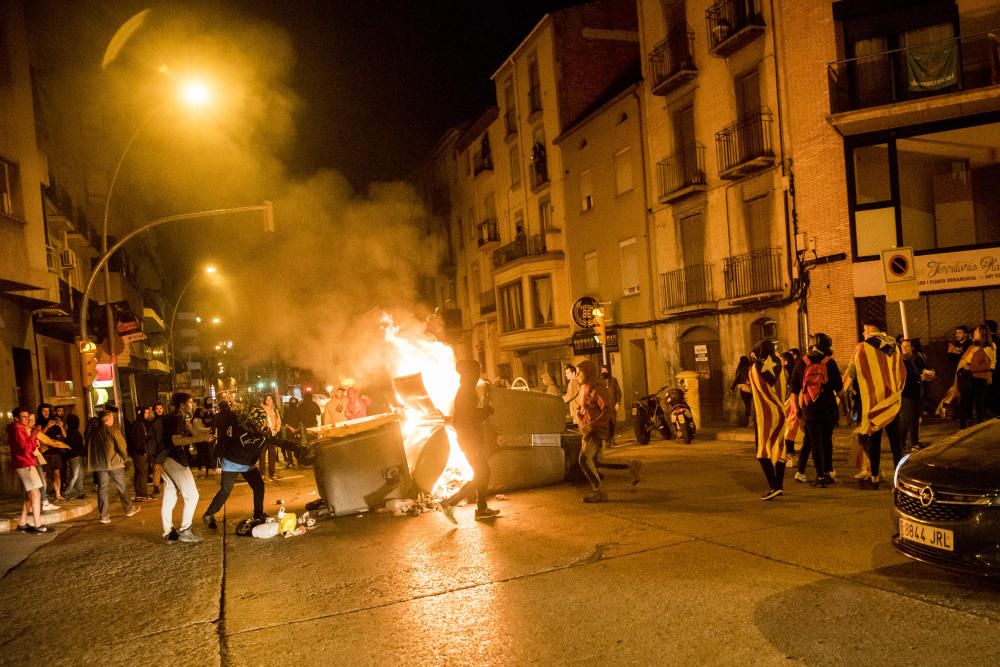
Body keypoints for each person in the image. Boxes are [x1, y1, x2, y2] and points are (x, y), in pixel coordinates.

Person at [844, 318, 905, 490]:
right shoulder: (895, 346)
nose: (863, 333)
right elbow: (902, 372)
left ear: (871, 330)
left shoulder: (862, 347)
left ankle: (875, 477)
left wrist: (841, 390)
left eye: (864, 330)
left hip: (874, 403)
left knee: (875, 443)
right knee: (896, 444)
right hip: (892, 402)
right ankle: (898, 479)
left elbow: (851, 372)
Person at [438, 359, 500, 522]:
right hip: (469, 439)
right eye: (476, 371)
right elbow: (468, 416)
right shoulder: (466, 391)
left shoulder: (466, 390)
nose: (478, 374)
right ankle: (449, 503)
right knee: (482, 473)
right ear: (470, 373)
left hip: (469, 438)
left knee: (483, 472)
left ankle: (481, 508)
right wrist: (486, 411)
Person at [203, 400, 269, 531]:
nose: (262, 423)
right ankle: (209, 514)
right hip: (231, 463)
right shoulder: (236, 428)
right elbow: (221, 443)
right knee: (226, 490)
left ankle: (258, 514)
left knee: (259, 486)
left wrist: (298, 448)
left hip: (247, 464)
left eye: (263, 420)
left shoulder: (261, 432)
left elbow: (276, 442)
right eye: (260, 421)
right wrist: (217, 462)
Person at [791, 333, 842, 488]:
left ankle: (819, 476)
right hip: (828, 408)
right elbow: (840, 390)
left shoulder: (801, 363)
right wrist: (845, 407)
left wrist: (797, 412)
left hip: (809, 409)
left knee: (814, 442)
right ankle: (827, 472)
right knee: (827, 441)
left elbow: (794, 391)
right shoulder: (830, 363)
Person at [159, 392, 202, 543]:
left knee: (170, 496)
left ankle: (168, 532)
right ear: (182, 405)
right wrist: (199, 439)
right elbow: (175, 441)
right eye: (190, 402)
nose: (193, 405)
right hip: (175, 459)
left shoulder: (177, 418)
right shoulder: (175, 418)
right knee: (192, 495)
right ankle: (185, 530)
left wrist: (195, 431)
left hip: (165, 459)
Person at [86, 408, 141, 525]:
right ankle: (129, 509)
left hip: (100, 466)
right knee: (122, 486)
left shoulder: (94, 432)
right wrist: (125, 458)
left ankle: (104, 515)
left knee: (102, 489)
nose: (113, 419)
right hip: (115, 463)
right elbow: (122, 446)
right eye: (112, 417)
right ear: (108, 418)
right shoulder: (113, 430)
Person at [748, 340, 787, 500]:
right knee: (779, 449)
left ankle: (774, 486)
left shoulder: (755, 368)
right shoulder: (779, 365)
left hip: (766, 413)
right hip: (780, 410)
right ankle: (779, 485)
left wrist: (755, 358)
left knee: (762, 452)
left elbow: (756, 384)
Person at [576, 360, 614, 503]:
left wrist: (592, 426)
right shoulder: (584, 387)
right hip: (588, 430)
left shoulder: (597, 388)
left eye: (580, 372)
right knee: (596, 461)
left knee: (584, 460)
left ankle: (599, 492)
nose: (577, 374)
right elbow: (585, 407)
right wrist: (580, 412)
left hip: (595, 431)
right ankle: (630, 466)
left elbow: (608, 411)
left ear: (588, 372)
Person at [9, 407, 48, 533]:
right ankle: (37, 524)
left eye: (28, 416)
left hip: (26, 462)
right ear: (16, 418)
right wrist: (33, 434)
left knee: (30, 496)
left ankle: (22, 522)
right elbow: (25, 448)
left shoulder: (19, 429)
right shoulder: (17, 429)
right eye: (24, 417)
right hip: (25, 463)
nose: (27, 419)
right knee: (35, 494)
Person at [956, 323, 995, 428]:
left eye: (976, 331)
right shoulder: (973, 346)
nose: (974, 332)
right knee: (964, 404)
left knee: (979, 405)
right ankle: (964, 427)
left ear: (981, 333)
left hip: (979, 379)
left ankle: (979, 427)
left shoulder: (987, 348)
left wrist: (970, 368)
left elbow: (989, 365)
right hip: (969, 378)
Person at [898, 340, 924, 452]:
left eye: (907, 346)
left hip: (917, 393)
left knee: (915, 419)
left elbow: (924, 369)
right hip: (906, 394)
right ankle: (901, 443)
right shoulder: (900, 362)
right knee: (906, 419)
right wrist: (919, 378)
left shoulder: (917, 359)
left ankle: (915, 442)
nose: (905, 348)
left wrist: (930, 372)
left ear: (911, 348)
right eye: (903, 346)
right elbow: (904, 379)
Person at [128, 406, 154, 501]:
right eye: (146, 413)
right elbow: (138, 440)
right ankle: (141, 494)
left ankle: (141, 494)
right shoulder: (139, 424)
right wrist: (143, 451)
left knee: (140, 473)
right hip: (139, 453)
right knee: (142, 473)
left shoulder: (141, 423)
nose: (148, 414)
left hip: (138, 452)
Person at [62, 413, 87, 499]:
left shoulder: (70, 431)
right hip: (75, 456)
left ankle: (80, 492)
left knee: (79, 475)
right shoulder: (74, 432)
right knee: (75, 475)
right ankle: (67, 491)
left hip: (74, 456)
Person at [260, 394, 282, 481]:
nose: (269, 401)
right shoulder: (262, 409)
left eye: (270, 399)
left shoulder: (275, 410)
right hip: (264, 434)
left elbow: (278, 421)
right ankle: (262, 474)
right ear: (265, 401)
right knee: (262, 455)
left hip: (273, 434)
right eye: (267, 399)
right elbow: (261, 421)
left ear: (272, 400)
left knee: (272, 455)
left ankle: (272, 473)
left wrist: (276, 430)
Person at [600, 364, 623, 442]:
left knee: (612, 423)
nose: (603, 372)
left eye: (605, 371)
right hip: (603, 407)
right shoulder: (599, 381)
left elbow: (618, 392)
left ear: (608, 371)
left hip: (612, 406)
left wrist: (617, 402)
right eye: (602, 371)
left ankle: (611, 438)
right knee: (606, 424)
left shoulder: (613, 380)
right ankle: (607, 440)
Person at [191, 407, 214, 478]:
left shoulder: (199, 419)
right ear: (199, 412)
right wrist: (210, 429)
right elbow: (199, 429)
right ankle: (200, 469)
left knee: (203, 454)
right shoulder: (196, 420)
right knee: (201, 454)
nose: (203, 413)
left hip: (202, 439)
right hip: (199, 439)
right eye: (202, 412)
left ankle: (205, 469)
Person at [731, 356, 754, 427]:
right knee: (752, 404)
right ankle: (752, 421)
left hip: (744, 389)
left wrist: (732, 387)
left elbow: (737, 379)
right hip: (752, 388)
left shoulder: (740, 369)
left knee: (747, 404)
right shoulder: (751, 368)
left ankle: (749, 422)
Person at [150, 401, 166, 498]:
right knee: (157, 467)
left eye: (161, 408)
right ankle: (156, 486)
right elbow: (153, 437)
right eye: (157, 409)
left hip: (166, 447)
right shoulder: (153, 423)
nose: (159, 410)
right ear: (154, 411)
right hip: (158, 447)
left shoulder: (166, 420)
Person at [282, 396, 302, 467]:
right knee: (289, 447)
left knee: (298, 446)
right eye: (292, 402)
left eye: (295, 402)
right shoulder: (287, 410)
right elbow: (284, 422)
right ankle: (290, 462)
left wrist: (298, 428)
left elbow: (301, 421)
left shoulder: (298, 410)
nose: (293, 403)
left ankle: (299, 461)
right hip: (290, 431)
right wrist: (291, 428)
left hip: (297, 431)